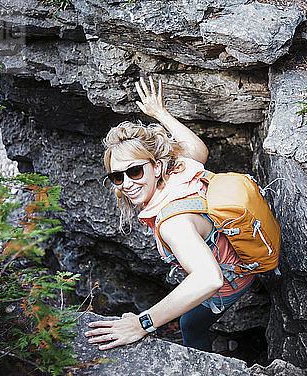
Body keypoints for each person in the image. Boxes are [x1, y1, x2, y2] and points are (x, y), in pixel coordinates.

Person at [84, 76, 255, 352]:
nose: (127, 183)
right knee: (188, 319)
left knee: (190, 324)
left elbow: (209, 279)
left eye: (135, 171)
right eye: (117, 176)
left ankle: (202, 367)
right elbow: (199, 150)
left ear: (156, 166)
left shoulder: (172, 223)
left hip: (231, 281)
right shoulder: (180, 171)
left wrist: (142, 323)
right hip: (239, 256)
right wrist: (160, 113)